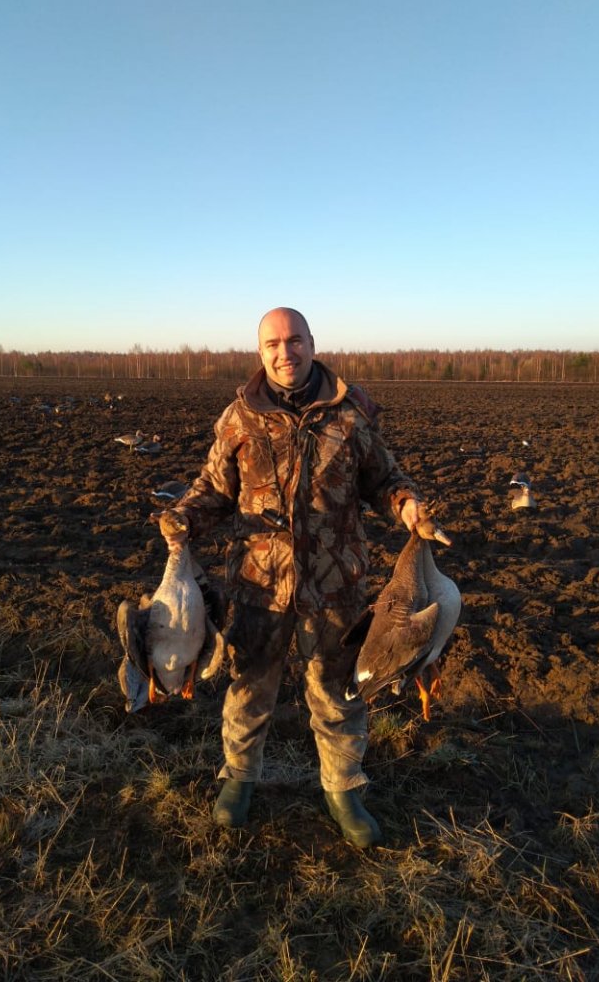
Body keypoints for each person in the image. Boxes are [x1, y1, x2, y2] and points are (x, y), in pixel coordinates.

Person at [176, 307, 422, 847]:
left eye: (294, 341)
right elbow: (213, 489)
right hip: (258, 583)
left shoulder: (350, 413)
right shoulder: (239, 418)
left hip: (335, 584)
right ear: (260, 352)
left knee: (337, 692)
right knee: (249, 687)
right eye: (272, 344)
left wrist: (406, 504)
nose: (284, 353)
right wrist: (184, 519)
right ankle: (239, 779)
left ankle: (343, 790)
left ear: (312, 343)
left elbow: (384, 479)